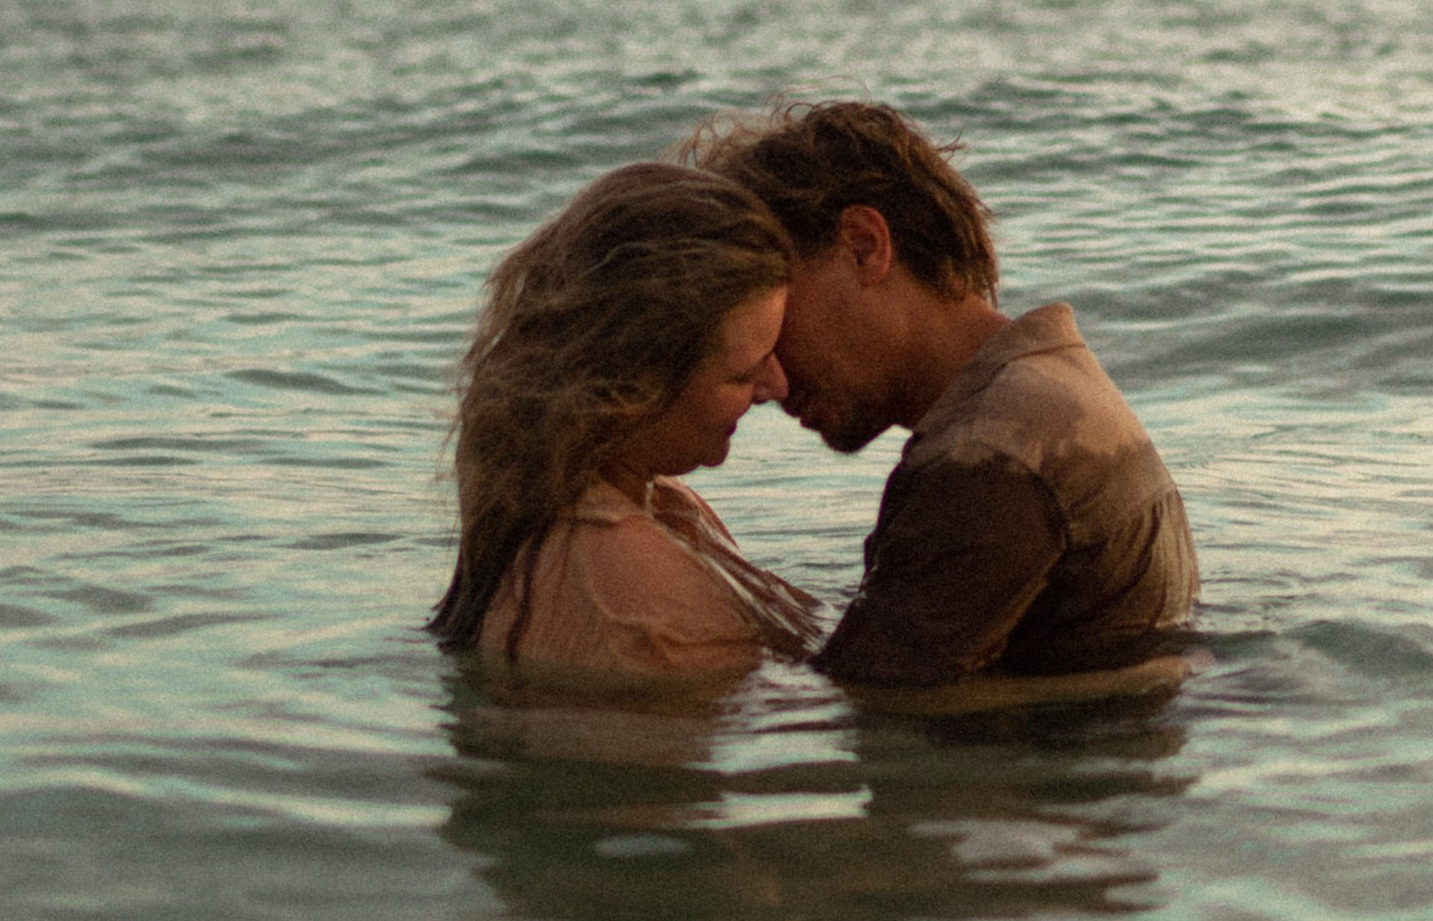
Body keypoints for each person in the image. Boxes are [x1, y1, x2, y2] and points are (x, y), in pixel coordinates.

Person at [682, 102, 1198, 689]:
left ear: (863, 246)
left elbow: (865, 704)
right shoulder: (1046, 391)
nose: (766, 377)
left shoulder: (987, 458)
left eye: (771, 312)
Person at [428, 161, 819, 682]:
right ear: (635, 383)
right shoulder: (639, 603)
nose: (777, 386)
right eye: (742, 373)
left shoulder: (643, 504)